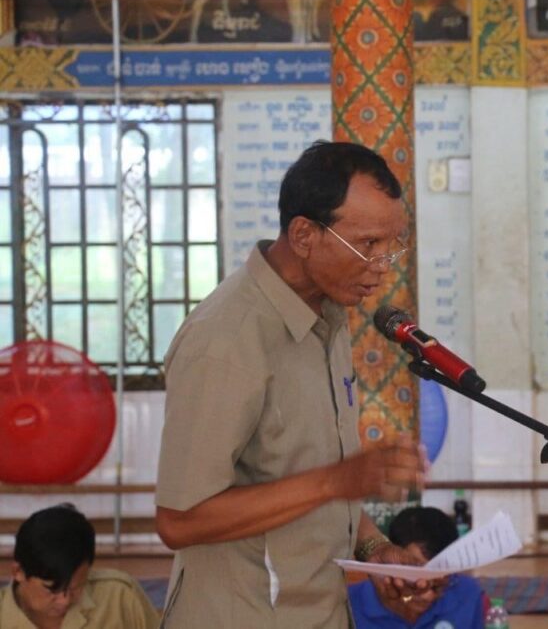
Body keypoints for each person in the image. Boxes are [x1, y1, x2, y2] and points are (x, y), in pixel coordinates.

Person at [154, 141, 429, 628]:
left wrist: (375, 549)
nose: (383, 264)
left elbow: (305, 476)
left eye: (392, 244)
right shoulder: (226, 340)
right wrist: (338, 481)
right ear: (304, 234)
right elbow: (179, 520)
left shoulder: (329, 315)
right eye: (368, 244)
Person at [0, 504, 160, 629]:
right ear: (18, 572)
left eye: (76, 587)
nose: (64, 601)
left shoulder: (118, 597)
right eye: (52, 590)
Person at [350, 506, 487, 628]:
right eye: (415, 576)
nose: (427, 596)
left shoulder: (467, 594)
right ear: (388, 563)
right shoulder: (349, 604)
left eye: (438, 585)